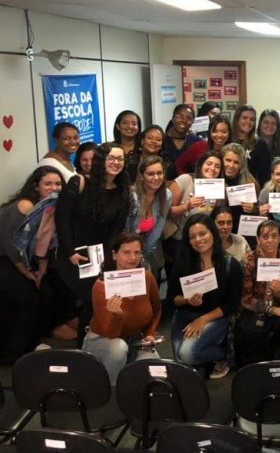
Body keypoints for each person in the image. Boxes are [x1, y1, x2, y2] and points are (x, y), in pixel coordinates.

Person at [55, 142, 131, 342]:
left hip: (99, 256)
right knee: (91, 299)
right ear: (101, 160)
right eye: (111, 158)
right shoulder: (79, 182)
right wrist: (70, 252)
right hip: (72, 254)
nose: (116, 162)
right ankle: (85, 346)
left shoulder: (122, 191)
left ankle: (93, 344)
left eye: (120, 158)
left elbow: (115, 231)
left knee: (96, 300)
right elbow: (61, 219)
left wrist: (109, 260)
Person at [0, 167, 64, 364]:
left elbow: (45, 241)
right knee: (29, 300)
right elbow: (11, 244)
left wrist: (41, 271)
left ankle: (30, 345)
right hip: (6, 260)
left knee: (44, 295)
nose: (54, 188)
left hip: (23, 261)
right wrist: (27, 273)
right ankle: (14, 354)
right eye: (48, 184)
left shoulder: (50, 207)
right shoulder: (26, 205)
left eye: (58, 184)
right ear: (36, 187)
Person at [82, 233, 162, 384]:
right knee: (118, 348)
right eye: (126, 252)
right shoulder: (101, 286)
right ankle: (111, 390)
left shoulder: (147, 278)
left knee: (153, 366)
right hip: (104, 340)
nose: (133, 257)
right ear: (114, 255)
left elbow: (157, 310)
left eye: (137, 252)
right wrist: (117, 315)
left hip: (135, 339)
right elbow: (110, 333)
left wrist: (149, 334)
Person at [169, 214, 242, 378]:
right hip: (185, 315)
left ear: (212, 233)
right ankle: (205, 361)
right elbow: (172, 298)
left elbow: (231, 305)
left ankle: (225, 354)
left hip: (215, 318)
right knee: (181, 362)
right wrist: (187, 300)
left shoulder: (230, 265)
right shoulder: (183, 262)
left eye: (203, 234)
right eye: (192, 237)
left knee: (186, 354)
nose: (198, 240)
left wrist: (202, 320)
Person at [237, 220, 280, 365]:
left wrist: (279, 292)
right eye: (265, 236)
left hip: (278, 305)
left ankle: (275, 348)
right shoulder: (249, 261)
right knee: (252, 332)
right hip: (254, 309)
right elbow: (245, 299)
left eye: (274, 236)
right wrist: (273, 310)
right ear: (258, 239)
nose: (270, 240)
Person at [126, 155, 172, 279]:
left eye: (159, 173)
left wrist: (143, 255)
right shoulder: (131, 197)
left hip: (148, 249)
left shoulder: (166, 196)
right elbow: (125, 231)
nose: (156, 178)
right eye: (150, 174)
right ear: (141, 176)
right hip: (126, 248)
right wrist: (134, 254)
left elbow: (158, 229)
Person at [220, 142, 259, 234]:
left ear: (242, 165)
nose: (231, 165)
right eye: (228, 160)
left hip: (241, 230)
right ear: (221, 160)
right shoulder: (214, 177)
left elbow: (259, 211)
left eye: (236, 162)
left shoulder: (250, 182)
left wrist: (253, 209)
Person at [249, 109, 280, 187]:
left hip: (276, 185)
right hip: (253, 184)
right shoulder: (251, 141)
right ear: (260, 123)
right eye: (266, 122)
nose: (269, 126)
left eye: (273, 123)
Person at [163, 104, 203, 180]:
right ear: (173, 118)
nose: (184, 121)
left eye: (188, 118)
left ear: (192, 122)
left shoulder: (197, 142)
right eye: (180, 116)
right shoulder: (162, 141)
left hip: (191, 185)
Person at [113, 110, 142, 177]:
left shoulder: (143, 148)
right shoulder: (110, 148)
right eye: (125, 123)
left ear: (138, 128)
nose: (130, 126)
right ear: (118, 126)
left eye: (134, 124)